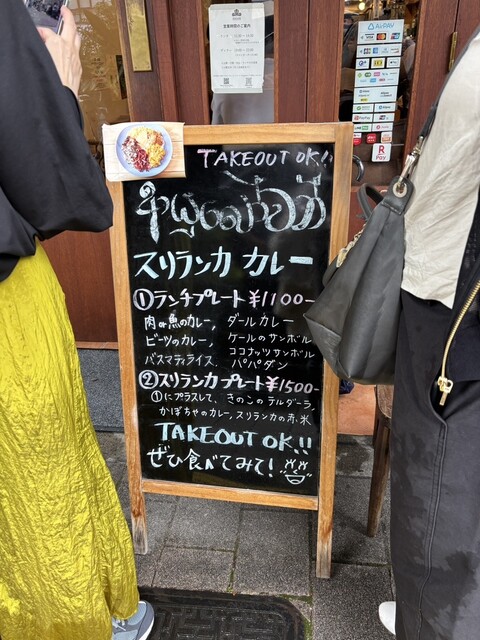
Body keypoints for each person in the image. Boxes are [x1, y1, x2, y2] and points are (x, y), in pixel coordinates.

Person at [0, 2, 154, 639]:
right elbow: (44, 178)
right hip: (7, 306)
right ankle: (79, 623)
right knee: (40, 465)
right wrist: (59, 85)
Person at [378, 25, 480, 639]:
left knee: (438, 496)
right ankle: (426, 608)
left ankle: (432, 621)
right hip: (441, 290)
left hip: (456, 309)